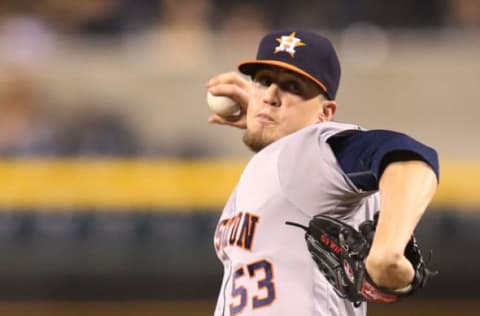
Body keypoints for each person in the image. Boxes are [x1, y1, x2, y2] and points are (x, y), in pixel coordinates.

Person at [206, 29, 439, 316]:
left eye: (293, 87)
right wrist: (265, 123)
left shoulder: (310, 148)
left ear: (325, 113)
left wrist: (387, 253)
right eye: (263, 82)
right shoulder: (287, 162)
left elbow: (410, 157)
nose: (270, 96)